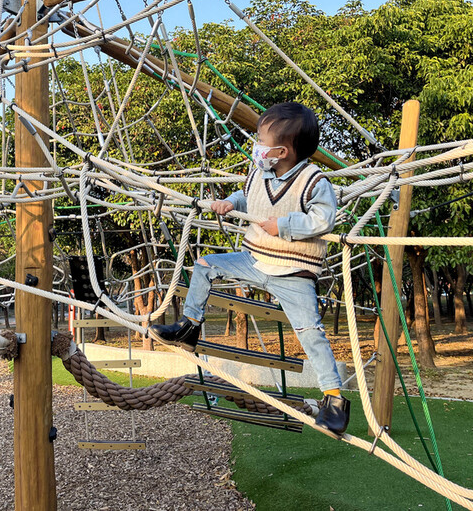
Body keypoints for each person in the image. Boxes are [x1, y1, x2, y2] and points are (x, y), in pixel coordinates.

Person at [148, 102, 350, 435]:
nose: (256, 145)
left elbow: (323, 219)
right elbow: (249, 198)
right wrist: (230, 203)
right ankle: (190, 324)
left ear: (281, 151)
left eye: (260, 139)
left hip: (292, 271)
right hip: (255, 259)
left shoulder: (314, 181)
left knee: (311, 333)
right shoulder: (259, 173)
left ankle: (334, 400)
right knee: (205, 265)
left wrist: (284, 225)